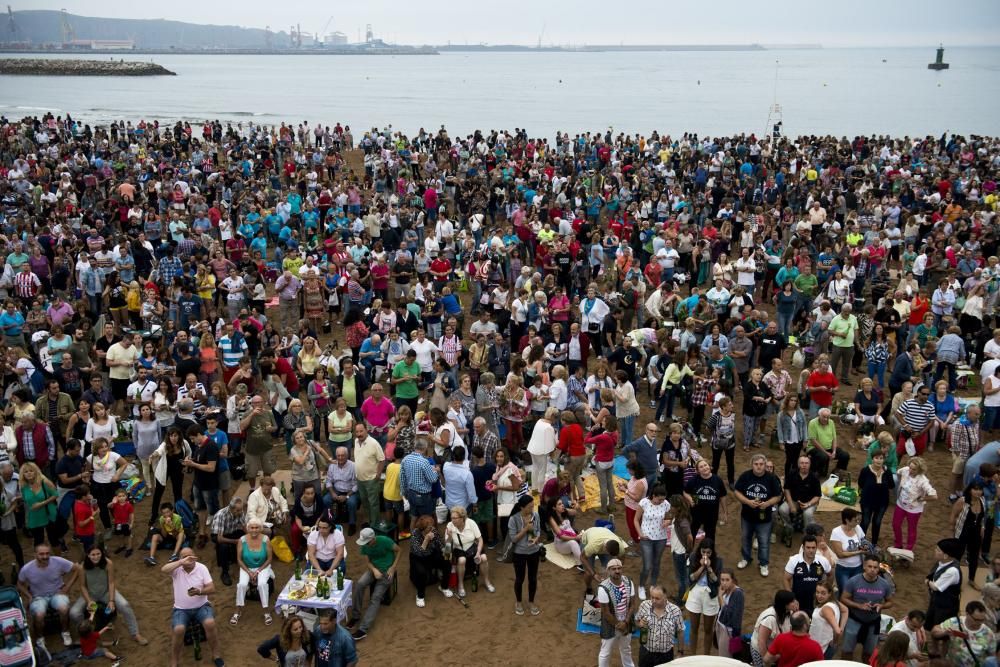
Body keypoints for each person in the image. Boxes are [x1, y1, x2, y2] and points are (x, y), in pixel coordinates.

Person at [69, 545, 147, 646]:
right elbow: (83, 586)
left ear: (102, 554)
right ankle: (86, 635)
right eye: (93, 554)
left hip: (106, 592)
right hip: (91, 594)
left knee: (125, 605)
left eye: (98, 554)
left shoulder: (108, 563)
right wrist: (89, 601)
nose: (96, 557)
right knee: (74, 613)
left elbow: (111, 583)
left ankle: (135, 634)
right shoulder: (82, 567)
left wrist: (111, 600)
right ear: (88, 555)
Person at [163, 548, 225, 667]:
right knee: (178, 629)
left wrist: (199, 591)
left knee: (210, 623)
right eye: (184, 557)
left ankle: (216, 655)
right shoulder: (177, 569)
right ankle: (174, 661)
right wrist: (180, 562)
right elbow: (163, 569)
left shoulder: (202, 568)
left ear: (195, 557)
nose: (188, 559)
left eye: (190, 556)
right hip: (181, 609)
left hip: (201, 606)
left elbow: (212, 589)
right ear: (180, 558)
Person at [17, 542, 76, 650]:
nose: (45, 557)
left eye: (47, 553)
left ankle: (65, 631)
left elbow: (78, 569)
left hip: (57, 593)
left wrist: (67, 587)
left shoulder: (58, 561)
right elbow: (19, 584)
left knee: (64, 608)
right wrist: (29, 596)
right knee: (39, 614)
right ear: (35, 554)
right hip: (38, 596)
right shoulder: (27, 569)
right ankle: (40, 637)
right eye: (41, 554)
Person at [348, 527, 401, 641]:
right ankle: (356, 615)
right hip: (374, 570)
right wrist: (374, 570)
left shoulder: (385, 541)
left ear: (373, 539)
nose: (365, 544)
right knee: (360, 584)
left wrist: (393, 568)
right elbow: (368, 562)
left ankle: (363, 629)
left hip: (387, 571)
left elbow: (399, 550)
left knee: (375, 597)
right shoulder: (365, 545)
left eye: (367, 542)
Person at [735, 453, 783, 577]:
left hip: (765, 517)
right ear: (752, 465)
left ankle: (763, 563)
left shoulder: (771, 478)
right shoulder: (745, 476)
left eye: (761, 464)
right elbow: (737, 492)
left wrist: (767, 504)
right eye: (756, 464)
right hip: (747, 515)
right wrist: (748, 502)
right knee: (746, 538)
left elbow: (778, 496)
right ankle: (746, 558)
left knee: (763, 541)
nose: (759, 467)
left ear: (765, 465)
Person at [840, 554, 894, 662]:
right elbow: (843, 598)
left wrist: (882, 605)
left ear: (879, 568)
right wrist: (858, 605)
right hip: (854, 619)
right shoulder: (853, 581)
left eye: (875, 567)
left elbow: (890, 602)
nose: (872, 570)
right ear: (864, 566)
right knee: (847, 651)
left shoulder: (884, 584)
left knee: (869, 653)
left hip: (873, 622)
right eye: (870, 566)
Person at [230, 518, 273, 627]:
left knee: (262, 584)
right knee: (242, 585)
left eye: (257, 527)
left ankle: (266, 612)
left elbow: (269, 559)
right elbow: (239, 560)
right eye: (252, 527)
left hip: (262, 567)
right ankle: (237, 611)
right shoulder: (242, 540)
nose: (254, 530)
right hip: (246, 567)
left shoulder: (265, 539)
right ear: (248, 528)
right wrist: (249, 572)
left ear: (261, 528)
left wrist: (258, 571)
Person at [930, 600, 997, 667]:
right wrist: (944, 633)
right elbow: (934, 631)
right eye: (976, 620)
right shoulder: (954, 622)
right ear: (967, 614)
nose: (979, 623)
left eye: (982, 620)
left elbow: (993, 657)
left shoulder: (988, 634)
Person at [597, 557, 638, 667]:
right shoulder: (603, 588)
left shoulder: (629, 582)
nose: (617, 571)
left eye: (619, 568)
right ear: (608, 571)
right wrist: (619, 625)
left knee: (626, 649)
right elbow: (606, 612)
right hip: (611, 624)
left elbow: (632, 604)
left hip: (626, 620)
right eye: (613, 569)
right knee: (605, 653)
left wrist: (626, 622)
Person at [686, 538, 723, 656]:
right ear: (700, 550)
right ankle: (692, 655)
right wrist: (702, 567)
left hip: (710, 595)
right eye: (703, 552)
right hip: (695, 593)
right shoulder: (693, 557)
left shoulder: (718, 561)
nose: (705, 555)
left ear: (712, 552)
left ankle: (706, 656)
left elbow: (717, 582)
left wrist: (710, 569)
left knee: (708, 629)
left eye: (708, 552)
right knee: (694, 627)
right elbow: (691, 578)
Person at [892, 456, 936, 551]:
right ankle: (898, 545)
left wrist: (922, 499)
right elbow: (898, 473)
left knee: (911, 529)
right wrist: (900, 484)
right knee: (895, 524)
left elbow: (934, 496)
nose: (910, 470)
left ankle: (908, 550)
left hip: (914, 509)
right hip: (900, 504)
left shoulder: (923, 481)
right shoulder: (905, 470)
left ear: (919, 470)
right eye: (910, 467)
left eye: (914, 469)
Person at [634, 484, 670, 601]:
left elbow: (670, 517)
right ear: (653, 496)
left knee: (656, 563)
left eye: (663, 499)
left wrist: (668, 521)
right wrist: (639, 533)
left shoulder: (666, 504)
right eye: (660, 499)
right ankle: (641, 586)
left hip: (661, 538)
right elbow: (636, 519)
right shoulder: (644, 502)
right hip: (646, 539)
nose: (662, 501)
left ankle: (653, 585)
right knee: (647, 565)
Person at [634, 584, 685, 666]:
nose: (653, 600)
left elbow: (680, 631)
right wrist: (640, 624)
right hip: (646, 652)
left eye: (657, 598)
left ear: (665, 598)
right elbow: (636, 621)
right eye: (652, 597)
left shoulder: (675, 611)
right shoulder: (644, 605)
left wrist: (680, 652)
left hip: (665, 655)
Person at [507, 495, 542, 616]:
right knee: (520, 579)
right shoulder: (514, 519)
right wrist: (526, 528)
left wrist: (536, 538)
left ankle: (531, 602)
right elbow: (514, 539)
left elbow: (538, 531)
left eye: (533, 506)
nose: (532, 509)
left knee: (533, 578)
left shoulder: (535, 515)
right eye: (529, 507)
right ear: (522, 507)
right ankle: (519, 602)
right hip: (519, 554)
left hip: (534, 551)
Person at [783, 534, 832, 616]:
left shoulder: (823, 561)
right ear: (803, 548)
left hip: (817, 601)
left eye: (813, 548)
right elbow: (786, 579)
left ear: (817, 548)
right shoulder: (793, 561)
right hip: (798, 601)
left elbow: (830, 574)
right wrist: (791, 599)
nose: (811, 550)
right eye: (808, 547)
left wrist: (826, 590)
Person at [951, 481, 987, 589]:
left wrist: (982, 528)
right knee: (957, 556)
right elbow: (953, 515)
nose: (978, 492)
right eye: (975, 489)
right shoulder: (963, 501)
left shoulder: (982, 500)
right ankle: (954, 580)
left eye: (980, 489)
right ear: (970, 490)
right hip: (962, 531)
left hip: (975, 533)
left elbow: (982, 518)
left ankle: (971, 579)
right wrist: (952, 530)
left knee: (974, 557)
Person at [408, 514, 450, 608]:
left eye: (433, 526)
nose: (433, 528)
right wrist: (426, 540)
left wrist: (448, 544)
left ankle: (444, 587)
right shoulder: (415, 534)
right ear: (423, 528)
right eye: (430, 527)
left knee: (447, 562)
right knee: (422, 572)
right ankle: (420, 596)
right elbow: (420, 553)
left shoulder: (433, 531)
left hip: (430, 555)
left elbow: (442, 546)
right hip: (417, 558)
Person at [777, 455, 821, 540]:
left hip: (809, 503)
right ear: (798, 464)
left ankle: (808, 534)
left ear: (810, 464)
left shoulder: (814, 477)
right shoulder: (792, 473)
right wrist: (791, 505)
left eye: (806, 463)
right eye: (802, 463)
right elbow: (786, 489)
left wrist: (808, 504)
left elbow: (817, 496)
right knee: (782, 509)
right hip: (793, 501)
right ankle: (789, 527)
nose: (804, 465)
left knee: (807, 514)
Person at [750, 590, 798, 667]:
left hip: (774, 651)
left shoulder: (788, 612)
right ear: (784, 604)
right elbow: (761, 641)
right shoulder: (769, 619)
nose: (795, 602)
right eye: (792, 601)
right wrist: (766, 660)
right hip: (761, 651)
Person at [925, 538, 963, 631]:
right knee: (931, 625)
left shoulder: (952, 571)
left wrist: (927, 582)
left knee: (941, 631)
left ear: (946, 555)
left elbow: (936, 587)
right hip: (937, 602)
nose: (935, 551)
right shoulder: (941, 562)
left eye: (938, 550)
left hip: (945, 607)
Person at [858, 450, 895, 546]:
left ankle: (874, 544)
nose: (879, 460)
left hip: (882, 502)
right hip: (867, 501)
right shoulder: (865, 470)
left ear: (884, 460)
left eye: (881, 458)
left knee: (877, 522)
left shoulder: (888, 472)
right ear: (872, 459)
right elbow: (861, 484)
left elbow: (891, 485)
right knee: (865, 522)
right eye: (876, 458)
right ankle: (861, 542)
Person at [830, 508, 867, 598]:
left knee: (856, 592)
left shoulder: (857, 528)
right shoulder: (836, 532)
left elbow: (863, 541)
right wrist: (859, 552)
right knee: (845, 593)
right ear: (847, 520)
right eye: (855, 520)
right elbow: (840, 555)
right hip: (843, 569)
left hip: (858, 567)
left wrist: (865, 546)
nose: (857, 522)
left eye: (858, 520)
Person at [210, 496, 247, 586]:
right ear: (231, 508)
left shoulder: (239, 511)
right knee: (223, 546)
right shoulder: (221, 515)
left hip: (231, 531)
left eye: (241, 509)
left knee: (244, 537)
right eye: (238, 510)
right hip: (219, 535)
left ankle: (238, 559)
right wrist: (235, 541)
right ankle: (225, 572)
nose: (240, 512)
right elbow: (219, 538)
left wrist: (250, 536)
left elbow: (244, 527)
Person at [805, 408, 849, 477]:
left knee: (845, 455)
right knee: (823, 457)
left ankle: (837, 470)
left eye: (828, 417)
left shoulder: (831, 422)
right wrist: (826, 452)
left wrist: (834, 451)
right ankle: (814, 471)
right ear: (819, 415)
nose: (826, 419)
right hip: (814, 448)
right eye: (824, 417)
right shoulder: (812, 423)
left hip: (829, 447)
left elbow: (834, 438)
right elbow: (813, 441)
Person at [809, 581, 847, 660]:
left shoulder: (826, 609)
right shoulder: (835, 602)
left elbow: (837, 631)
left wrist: (835, 641)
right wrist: (842, 627)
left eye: (823, 593)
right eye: (817, 592)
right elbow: (845, 610)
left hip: (822, 648)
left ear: (829, 593)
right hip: (823, 646)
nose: (819, 596)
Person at [526, 406, 558, 494]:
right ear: (553, 417)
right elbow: (551, 444)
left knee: (535, 468)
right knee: (542, 471)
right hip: (540, 451)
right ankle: (540, 490)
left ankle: (534, 488)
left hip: (532, 448)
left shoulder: (539, 421)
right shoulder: (549, 428)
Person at [716, 568, 746, 659]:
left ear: (732, 580)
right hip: (721, 626)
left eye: (727, 580)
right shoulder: (725, 590)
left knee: (726, 659)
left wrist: (720, 597)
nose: (724, 583)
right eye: (722, 580)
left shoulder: (738, 594)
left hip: (728, 631)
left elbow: (728, 614)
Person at [146, 502, 186, 566]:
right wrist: (163, 524)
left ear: (172, 511)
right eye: (164, 513)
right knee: (155, 536)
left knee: (181, 534)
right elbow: (164, 535)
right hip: (167, 535)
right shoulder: (162, 519)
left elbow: (175, 535)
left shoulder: (178, 518)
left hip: (176, 536)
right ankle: (151, 558)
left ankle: (174, 555)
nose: (166, 514)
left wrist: (171, 525)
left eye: (168, 512)